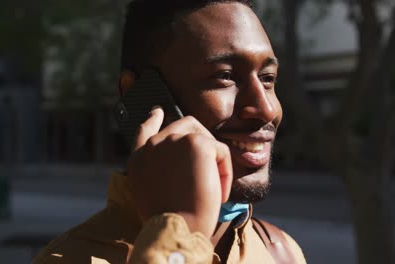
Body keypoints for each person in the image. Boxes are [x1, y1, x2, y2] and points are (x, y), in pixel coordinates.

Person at [33, 1, 306, 263]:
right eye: (224, 76)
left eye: (267, 78)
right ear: (138, 95)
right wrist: (179, 232)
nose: (266, 109)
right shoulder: (68, 260)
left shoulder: (281, 252)